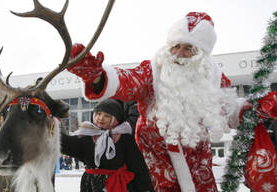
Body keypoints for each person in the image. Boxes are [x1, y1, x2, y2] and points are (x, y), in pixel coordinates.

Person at [67, 12, 244, 192]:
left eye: (188, 48)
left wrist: (251, 110)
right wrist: (97, 77)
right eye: (176, 46)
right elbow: (127, 81)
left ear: (201, 55)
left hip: (198, 170)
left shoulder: (212, 78)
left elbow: (230, 110)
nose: (179, 53)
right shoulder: (153, 72)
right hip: (153, 168)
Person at [61, 99, 154, 192]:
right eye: (99, 114)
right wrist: (51, 126)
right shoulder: (86, 135)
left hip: (116, 185)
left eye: (107, 116)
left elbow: (138, 166)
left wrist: (145, 189)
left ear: (115, 119)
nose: (101, 118)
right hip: (91, 185)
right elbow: (65, 145)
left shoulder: (124, 138)